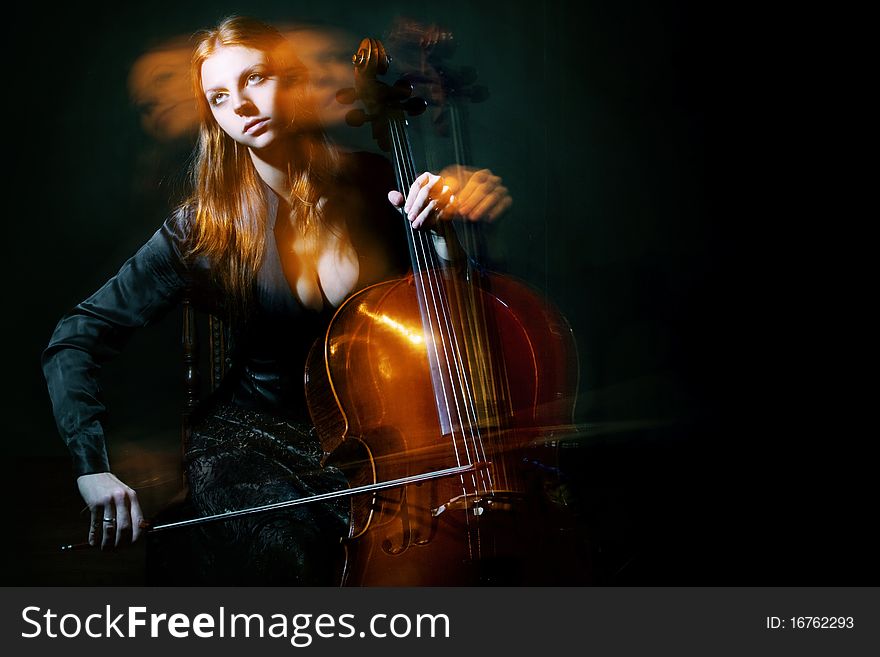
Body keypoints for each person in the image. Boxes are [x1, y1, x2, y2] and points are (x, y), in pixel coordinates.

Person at [42, 16, 509, 585]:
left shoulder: (378, 183)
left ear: (291, 80)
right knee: (296, 557)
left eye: (255, 78)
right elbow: (75, 339)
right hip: (253, 440)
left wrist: (448, 232)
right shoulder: (201, 228)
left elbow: (452, 316)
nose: (239, 105)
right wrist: (92, 469)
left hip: (376, 445)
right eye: (218, 96)